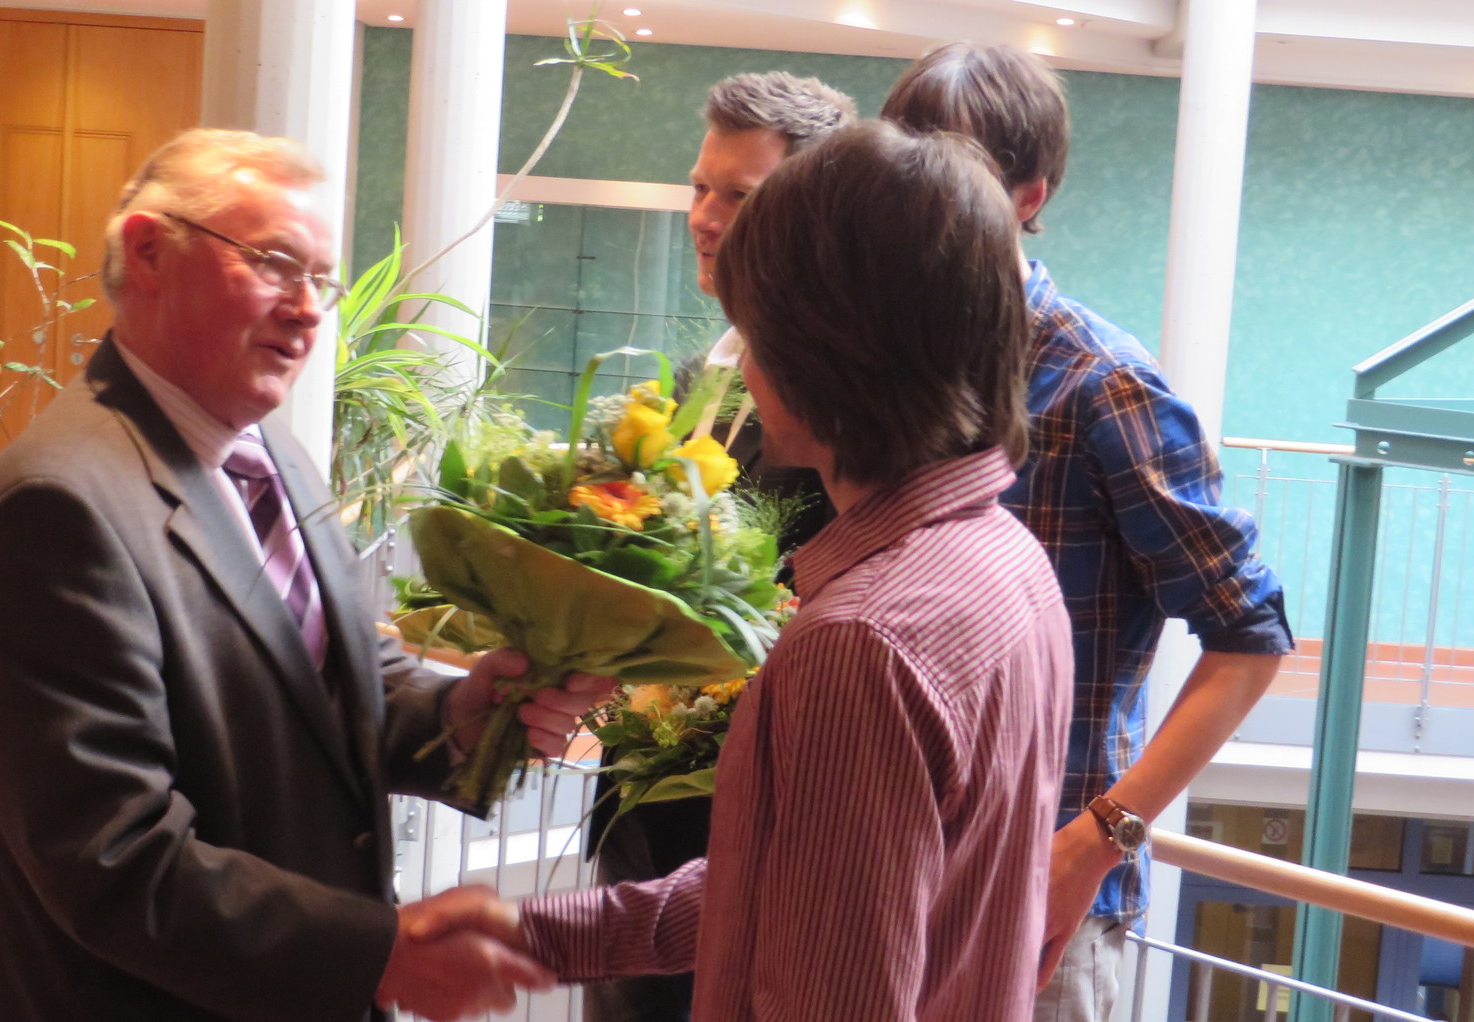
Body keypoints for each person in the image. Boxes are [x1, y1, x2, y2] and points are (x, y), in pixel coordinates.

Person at [0, 128, 608, 1022]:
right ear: (148, 251)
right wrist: (377, 954)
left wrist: (458, 712)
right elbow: (111, 856)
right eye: (275, 264)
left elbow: (327, 681)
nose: (308, 308)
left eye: (321, 279)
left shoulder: (268, 452)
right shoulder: (58, 509)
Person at [415, 120, 1076, 1022]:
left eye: (752, 323)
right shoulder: (1005, 561)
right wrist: (546, 938)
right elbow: (795, 893)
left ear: (824, 348)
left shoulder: (863, 640)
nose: (742, 358)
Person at [882, 42, 1295, 1022]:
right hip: (881, 868)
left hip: (1037, 902)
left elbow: (1253, 634)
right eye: (904, 164)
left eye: (958, 172)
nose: (917, 198)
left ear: (1031, 195)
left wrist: (1094, 840)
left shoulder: (1099, 378)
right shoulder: (883, 368)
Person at [585, 69, 856, 1022]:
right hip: (644, 827)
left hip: (768, 853)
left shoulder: (855, 410)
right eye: (700, 187)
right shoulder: (709, 374)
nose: (703, 216)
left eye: (736, 196)